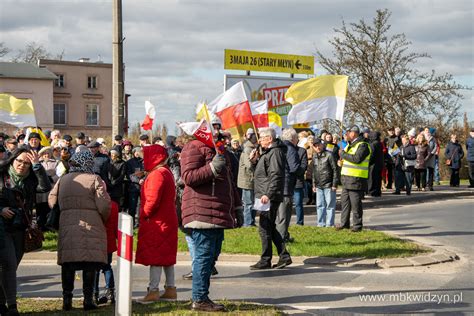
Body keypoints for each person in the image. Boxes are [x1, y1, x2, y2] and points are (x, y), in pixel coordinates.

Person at [180, 135, 242, 312]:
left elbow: (228, 182)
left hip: (217, 213)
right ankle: (199, 299)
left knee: (211, 257)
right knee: (204, 257)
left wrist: (237, 207)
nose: (217, 132)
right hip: (201, 211)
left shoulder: (220, 150)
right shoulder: (193, 147)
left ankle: (202, 296)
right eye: (213, 128)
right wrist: (213, 168)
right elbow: (189, 177)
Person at [48, 150, 111, 311]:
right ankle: (88, 300)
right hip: (91, 225)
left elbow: (51, 199)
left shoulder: (63, 179)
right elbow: (104, 206)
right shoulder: (94, 179)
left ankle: (67, 300)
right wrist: (103, 218)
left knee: (68, 264)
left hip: (68, 224)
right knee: (90, 264)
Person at [0, 148, 51, 316]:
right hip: (2, 228)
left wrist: (37, 166)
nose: (22, 166)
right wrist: (1, 209)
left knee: (10, 268)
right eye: (19, 161)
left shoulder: (30, 179)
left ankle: (2, 305)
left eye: (26, 163)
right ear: (12, 160)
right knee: (8, 264)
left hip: (21, 228)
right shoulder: (2, 175)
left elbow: (44, 187)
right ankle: (12, 307)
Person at [135, 145, 178, 303]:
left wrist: (144, 214)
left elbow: (152, 201)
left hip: (157, 222)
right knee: (166, 257)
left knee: (156, 257)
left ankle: (153, 290)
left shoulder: (156, 174)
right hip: (167, 219)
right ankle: (170, 289)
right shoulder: (165, 171)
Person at [250, 127, 292, 270]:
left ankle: (266, 259)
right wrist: (255, 161)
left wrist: (268, 194)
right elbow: (263, 173)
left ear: (270, 138)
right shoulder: (268, 152)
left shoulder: (275, 152)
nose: (259, 140)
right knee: (268, 226)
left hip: (267, 196)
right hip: (264, 195)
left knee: (264, 227)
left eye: (262, 138)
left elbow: (276, 175)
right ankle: (283, 256)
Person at [337, 125, 371, 232]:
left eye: (347, 132)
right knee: (345, 203)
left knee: (356, 205)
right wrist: (341, 162)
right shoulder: (349, 145)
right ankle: (344, 224)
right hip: (347, 179)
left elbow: (357, 159)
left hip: (356, 179)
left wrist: (343, 154)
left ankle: (357, 225)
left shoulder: (363, 145)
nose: (345, 135)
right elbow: (348, 160)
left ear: (353, 133)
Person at [277, 128, 300, 243]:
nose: (298, 140)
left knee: (280, 215)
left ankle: (283, 235)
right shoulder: (290, 149)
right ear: (292, 138)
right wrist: (303, 169)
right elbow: (294, 168)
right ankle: (281, 239)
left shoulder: (280, 148)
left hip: (279, 185)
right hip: (286, 186)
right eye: (296, 138)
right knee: (284, 215)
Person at [94, 200, 119, 305]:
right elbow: (116, 224)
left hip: (95, 240)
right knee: (107, 266)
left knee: (95, 269)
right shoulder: (113, 205)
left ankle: (94, 293)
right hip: (109, 240)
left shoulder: (94, 203)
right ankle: (111, 291)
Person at [312, 138, 338, 227]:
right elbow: (314, 171)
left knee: (330, 205)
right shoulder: (314, 156)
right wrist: (314, 184)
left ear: (322, 144)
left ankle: (329, 224)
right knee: (319, 205)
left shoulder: (329, 155)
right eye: (315, 146)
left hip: (329, 184)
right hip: (319, 185)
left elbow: (335, 170)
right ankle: (320, 223)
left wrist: (334, 184)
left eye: (318, 145)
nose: (317, 147)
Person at [237, 128, 258, 227]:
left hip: (252, 180)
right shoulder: (247, 149)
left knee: (253, 203)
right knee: (248, 203)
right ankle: (247, 223)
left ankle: (252, 222)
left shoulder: (254, 147)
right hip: (247, 180)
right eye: (255, 135)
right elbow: (249, 165)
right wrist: (255, 160)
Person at [36, 146, 59, 231]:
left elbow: (60, 174)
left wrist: (52, 178)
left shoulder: (56, 162)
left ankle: (50, 225)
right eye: (45, 153)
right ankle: (40, 226)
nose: (46, 155)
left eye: (48, 153)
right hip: (40, 189)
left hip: (51, 188)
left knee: (49, 207)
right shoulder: (38, 163)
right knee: (40, 207)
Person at [125, 147, 144, 225]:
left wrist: (144, 179)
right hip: (133, 187)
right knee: (132, 206)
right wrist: (138, 180)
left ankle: (140, 222)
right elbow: (129, 174)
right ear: (134, 152)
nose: (139, 153)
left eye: (140, 151)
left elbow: (147, 172)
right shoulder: (129, 162)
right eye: (138, 151)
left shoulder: (144, 162)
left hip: (143, 186)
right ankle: (131, 223)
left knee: (141, 206)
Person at [294, 141, 308, 225]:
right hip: (287, 182)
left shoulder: (302, 151)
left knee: (298, 203)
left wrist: (296, 171)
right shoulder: (285, 150)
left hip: (298, 180)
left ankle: (299, 222)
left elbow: (304, 166)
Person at [368, 132, 384, 197]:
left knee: (372, 178)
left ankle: (372, 191)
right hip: (379, 164)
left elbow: (372, 155)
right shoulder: (379, 143)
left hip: (373, 164)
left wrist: (368, 162)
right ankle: (378, 191)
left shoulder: (373, 144)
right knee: (378, 178)